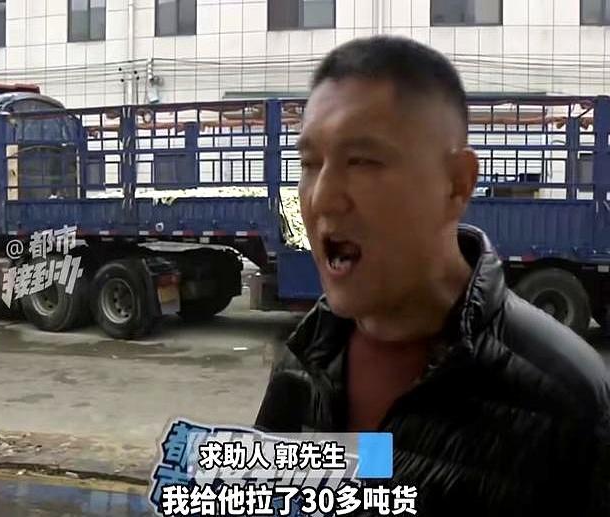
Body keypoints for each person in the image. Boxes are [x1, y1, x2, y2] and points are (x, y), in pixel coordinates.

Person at [255, 36, 610, 516]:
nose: (321, 198)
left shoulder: (572, 402)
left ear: (457, 184)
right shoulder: (302, 362)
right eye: (310, 163)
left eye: (362, 161)